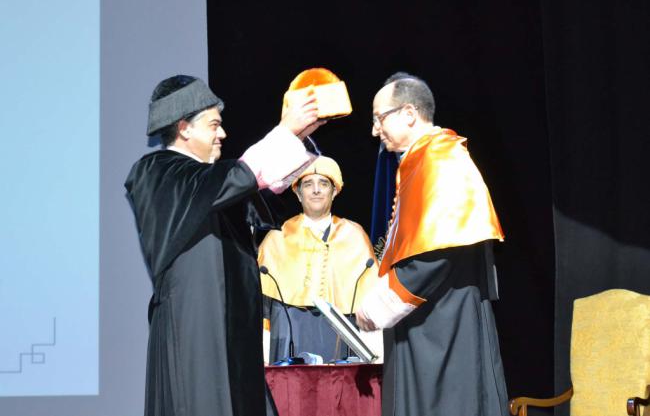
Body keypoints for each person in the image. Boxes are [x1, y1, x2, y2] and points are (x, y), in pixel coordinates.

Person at [124, 74, 324, 416]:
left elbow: (253, 189)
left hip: (230, 326)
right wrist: (285, 133)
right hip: (195, 326)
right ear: (185, 128)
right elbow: (236, 177)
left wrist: (296, 137)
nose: (223, 134)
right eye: (214, 125)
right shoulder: (156, 173)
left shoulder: (205, 182)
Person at [355, 72, 508, 416]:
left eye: (380, 119)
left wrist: (380, 305)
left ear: (409, 113)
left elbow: (435, 253)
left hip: (442, 322)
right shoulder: (420, 160)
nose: (375, 131)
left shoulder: (440, 160)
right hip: (432, 315)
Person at [258, 156, 380, 363]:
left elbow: (370, 297)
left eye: (323, 184)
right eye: (308, 184)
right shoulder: (277, 236)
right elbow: (262, 305)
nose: (316, 190)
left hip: (341, 327)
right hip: (290, 324)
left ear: (334, 191)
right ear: (297, 193)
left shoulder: (354, 235)